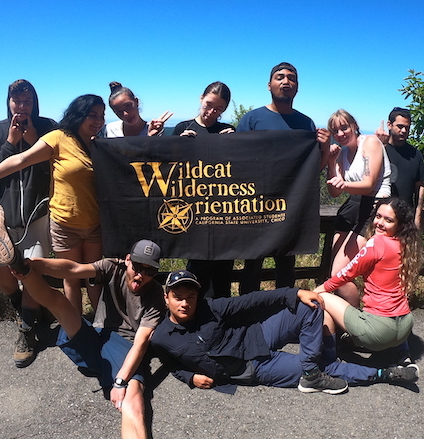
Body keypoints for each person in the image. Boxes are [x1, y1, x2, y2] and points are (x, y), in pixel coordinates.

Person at [0, 211, 196, 439]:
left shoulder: (156, 297)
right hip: (97, 334)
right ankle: (19, 265)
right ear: (128, 260)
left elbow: (142, 342)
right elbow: (72, 269)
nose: (141, 275)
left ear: (155, 273)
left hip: (125, 347)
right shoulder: (112, 267)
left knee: (134, 398)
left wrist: (121, 381)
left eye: (149, 271)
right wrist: (32, 265)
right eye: (138, 267)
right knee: (59, 302)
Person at [151, 270, 406, 394]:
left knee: (310, 305)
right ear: (166, 298)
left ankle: (311, 372)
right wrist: (189, 377)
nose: (185, 303)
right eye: (178, 297)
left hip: (258, 334)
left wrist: (293, 293)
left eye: (191, 297)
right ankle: (383, 374)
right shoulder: (163, 337)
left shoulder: (210, 307)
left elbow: (252, 300)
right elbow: (171, 362)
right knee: (325, 369)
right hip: (252, 367)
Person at [0, 94, 105, 315]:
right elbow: (21, 160)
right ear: (79, 115)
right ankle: (77, 328)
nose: (98, 121)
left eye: (101, 116)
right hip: (65, 223)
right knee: (70, 280)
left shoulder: (99, 144)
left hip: (95, 222)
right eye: (92, 115)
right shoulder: (58, 137)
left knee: (95, 277)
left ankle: (101, 325)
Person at [236, 62, 332, 293]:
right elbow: (235, 161)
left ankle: (284, 316)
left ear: (297, 87)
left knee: (286, 267)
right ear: (269, 85)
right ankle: (247, 315)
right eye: (280, 77)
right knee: (252, 265)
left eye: (291, 78)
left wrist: (326, 148)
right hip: (254, 205)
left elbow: (312, 171)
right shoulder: (251, 120)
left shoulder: (306, 124)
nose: (286, 81)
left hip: (290, 207)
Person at [0, 79, 57, 367]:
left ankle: (26, 331)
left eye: (27, 101)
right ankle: (21, 306)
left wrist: (36, 138)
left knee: (34, 272)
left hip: (38, 215)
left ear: (34, 102)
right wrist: (11, 143)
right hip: (5, 217)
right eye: (17, 101)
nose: (22, 106)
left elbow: (52, 167)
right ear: (9, 102)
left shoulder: (48, 126)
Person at [315, 197, 423, 382]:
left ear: (399, 224)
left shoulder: (376, 242)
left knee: (324, 298)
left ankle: (328, 358)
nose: (380, 223)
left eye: (388, 220)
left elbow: (344, 274)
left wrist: (316, 291)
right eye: (378, 216)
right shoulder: (406, 245)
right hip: (405, 327)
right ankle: (401, 356)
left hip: (378, 332)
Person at [174, 81, 236, 297]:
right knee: (196, 267)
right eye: (208, 105)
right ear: (201, 98)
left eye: (218, 109)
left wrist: (233, 144)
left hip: (221, 211)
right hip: (193, 211)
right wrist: (178, 146)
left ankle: (222, 318)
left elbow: (237, 172)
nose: (211, 112)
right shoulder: (183, 128)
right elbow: (167, 169)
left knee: (223, 271)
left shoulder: (227, 131)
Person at [325, 109, 392, 306]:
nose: (340, 134)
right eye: (335, 131)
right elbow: (334, 192)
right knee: (335, 266)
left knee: (339, 273)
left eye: (344, 128)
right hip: (357, 205)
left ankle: (353, 321)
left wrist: (343, 185)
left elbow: (369, 184)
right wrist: (331, 162)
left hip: (376, 206)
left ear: (354, 126)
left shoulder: (369, 143)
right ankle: (345, 318)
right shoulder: (343, 154)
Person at [379, 107, 424, 229]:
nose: (404, 130)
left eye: (407, 128)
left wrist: (418, 215)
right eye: (400, 126)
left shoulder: (415, 154)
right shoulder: (380, 150)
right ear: (389, 125)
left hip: (405, 219)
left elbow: (420, 185)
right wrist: (380, 144)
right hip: (380, 217)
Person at [106, 82, 172, 137]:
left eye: (128, 106)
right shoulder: (111, 129)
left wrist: (151, 137)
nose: (125, 114)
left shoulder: (154, 129)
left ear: (136, 102)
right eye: (119, 111)